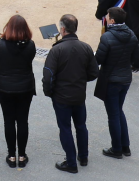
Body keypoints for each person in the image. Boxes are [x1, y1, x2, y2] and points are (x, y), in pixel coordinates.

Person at [44, 14, 97, 174]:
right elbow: (94, 72)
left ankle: (71, 162)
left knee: (65, 128)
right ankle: (83, 157)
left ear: (62, 29)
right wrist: (80, 81)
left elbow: (48, 76)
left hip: (61, 97)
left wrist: (50, 92)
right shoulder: (86, 47)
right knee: (81, 126)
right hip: (79, 96)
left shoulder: (57, 50)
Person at [0, 15, 36, 169]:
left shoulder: (1, 44)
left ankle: (11, 156)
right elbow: (30, 58)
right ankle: (22, 155)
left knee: (9, 120)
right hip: (25, 86)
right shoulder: (31, 45)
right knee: (23, 120)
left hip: (5, 87)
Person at [94, 7, 136, 159]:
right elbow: (135, 56)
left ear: (112, 20)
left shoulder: (107, 37)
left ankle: (117, 148)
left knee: (113, 115)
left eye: (107, 16)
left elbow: (98, 59)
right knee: (119, 110)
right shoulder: (131, 34)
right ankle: (125, 146)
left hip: (111, 80)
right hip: (125, 78)